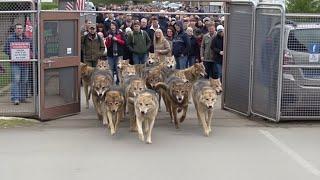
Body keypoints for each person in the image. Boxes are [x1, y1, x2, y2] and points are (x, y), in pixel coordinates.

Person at [3, 23, 33, 105]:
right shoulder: (10, 38)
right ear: (15, 30)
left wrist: (29, 54)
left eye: (20, 28)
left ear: (23, 29)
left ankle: (22, 98)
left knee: (24, 80)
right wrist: (14, 53)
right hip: (15, 63)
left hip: (25, 63)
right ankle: (15, 98)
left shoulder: (27, 38)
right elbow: (5, 49)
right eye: (17, 28)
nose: (19, 29)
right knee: (16, 80)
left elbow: (32, 49)